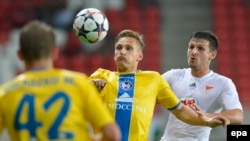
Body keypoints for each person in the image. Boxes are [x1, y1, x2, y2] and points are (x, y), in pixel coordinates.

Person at [89, 29, 229, 141]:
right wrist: (91, 85)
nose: (122, 51)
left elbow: (180, 110)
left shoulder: (154, 79)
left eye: (129, 48)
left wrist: (207, 122)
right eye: (118, 48)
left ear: (140, 56)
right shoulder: (101, 75)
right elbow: (78, 95)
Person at [0, 20, 121, 141]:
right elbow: (112, 134)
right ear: (55, 53)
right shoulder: (79, 83)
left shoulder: (5, 93)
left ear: (20, 55)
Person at [160, 31, 243, 141]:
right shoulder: (173, 75)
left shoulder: (223, 83)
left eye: (200, 48)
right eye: (191, 47)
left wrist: (208, 116)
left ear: (212, 54)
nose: (193, 52)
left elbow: (238, 115)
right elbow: (150, 91)